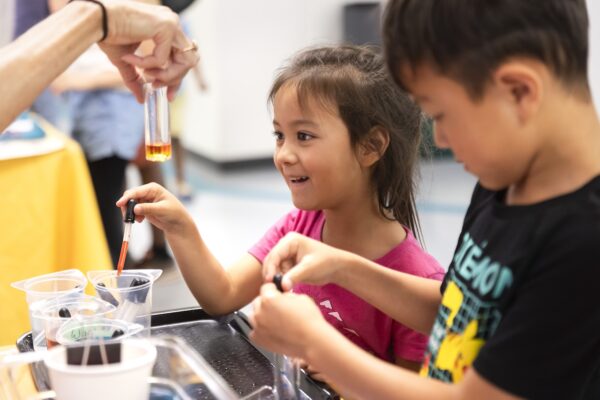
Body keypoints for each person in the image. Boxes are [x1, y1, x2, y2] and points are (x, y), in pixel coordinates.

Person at [249, 0, 600, 399]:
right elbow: (455, 307)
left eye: (443, 114)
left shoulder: (584, 238)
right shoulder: (507, 179)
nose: (443, 139)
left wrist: (316, 345)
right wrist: (342, 267)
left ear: (519, 91)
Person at [117, 45, 445, 373]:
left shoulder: (419, 285)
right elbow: (223, 295)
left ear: (370, 146)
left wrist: (335, 368)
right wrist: (179, 227)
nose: (284, 155)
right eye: (279, 135)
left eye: (303, 136)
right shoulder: (298, 227)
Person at [0, 0, 198, 133]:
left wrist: (100, 20)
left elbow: (150, 67)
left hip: (112, 111)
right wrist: (99, 20)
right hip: (87, 105)